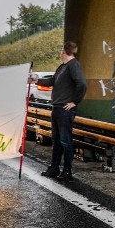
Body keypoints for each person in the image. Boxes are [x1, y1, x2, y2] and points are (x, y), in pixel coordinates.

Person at [35, 41, 87, 181]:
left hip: (65, 109)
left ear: (64, 52)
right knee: (57, 140)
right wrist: (36, 80)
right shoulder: (62, 67)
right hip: (58, 107)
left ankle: (67, 170)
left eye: (61, 51)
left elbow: (82, 84)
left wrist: (74, 102)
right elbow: (52, 80)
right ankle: (54, 168)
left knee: (65, 140)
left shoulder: (73, 66)